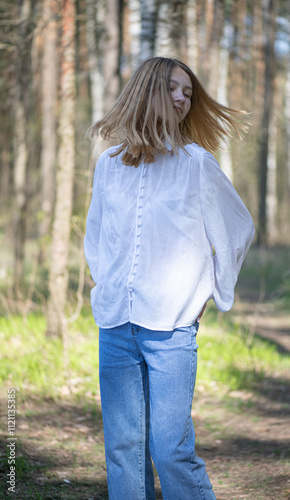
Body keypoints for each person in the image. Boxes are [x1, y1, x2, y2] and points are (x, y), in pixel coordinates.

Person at [84, 56, 255, 500]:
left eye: (188, 92)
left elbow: (237, 229)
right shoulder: (109, 165)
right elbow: (97, 236)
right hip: (116, 324)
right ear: (146, 92)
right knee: (123, 449)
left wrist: (211, 292)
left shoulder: (196, 163)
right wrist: (108, 284)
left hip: (171, 330)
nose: (182, 98)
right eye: (173, 89)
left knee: (170, 448)